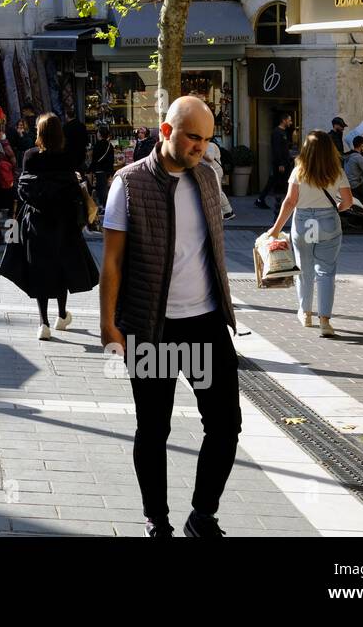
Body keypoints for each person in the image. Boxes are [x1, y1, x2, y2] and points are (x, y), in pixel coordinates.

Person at [99, 95, 240, 538]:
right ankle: (156, 520)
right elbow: (113, 263)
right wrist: (109, 327)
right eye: (192, 137)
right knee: (153, 427)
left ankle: (202, 515)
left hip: (206, 323)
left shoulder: (208, 178)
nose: (200, 146)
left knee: (225, 425)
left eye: (207, 139)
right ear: (165, 131)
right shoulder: (128, 184)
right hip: (151, 327)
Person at [7, 113, 98, 338]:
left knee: (40, 269)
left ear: (39, 133)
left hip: (37, 221)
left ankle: (43, 322)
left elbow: (22, 190)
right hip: (64, 222)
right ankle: (61, 315)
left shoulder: (29, 156)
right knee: (61, 267)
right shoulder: (67, 158)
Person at [268, 130, 352, 337]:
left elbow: (290, 202)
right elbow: (348, 201)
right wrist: (336, 208)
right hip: (328, 222)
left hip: (303, 223)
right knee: (326, 272)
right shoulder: (337, 171)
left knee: (304, 270)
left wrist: (276, 229)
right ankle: (325, 321)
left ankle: (305, 313)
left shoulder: (299, 171)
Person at [256, 111, 295, 210]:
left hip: (284, 162)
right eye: (289, 120)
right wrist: (280, 163)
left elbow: (283, 148)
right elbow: (276, 149)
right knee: (277, 182)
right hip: (280, 164)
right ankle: (262, 200)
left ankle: (261, 199)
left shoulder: (283, 132)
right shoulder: (277, 132)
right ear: (284, 120)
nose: (291, 122)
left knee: (275, 181)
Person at [201, 140, 234, 221]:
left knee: (218, 191)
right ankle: (226, 212)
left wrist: (201, 152)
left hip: (215, 170)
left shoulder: (210, 145)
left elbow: (210, 158)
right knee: (216, 191)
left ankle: (226, 212)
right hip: (209, 171)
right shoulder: (205, 145)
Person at [89, 124, 116, 207]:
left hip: (99, 170)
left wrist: (90, 169)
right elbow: (111, 160)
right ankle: (105, 205)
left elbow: (94, 160)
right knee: (105, 189)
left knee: (100, 189)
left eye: (98, 132)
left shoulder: (97, 145)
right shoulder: (109, 145)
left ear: (100, 134)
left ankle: (102, 206)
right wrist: (111, 172)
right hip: (107, 170)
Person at [62, 108, 89, 174]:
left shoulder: (65, 127)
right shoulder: (82, 126)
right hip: (81, 154)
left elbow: (64, 142)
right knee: (81, 173)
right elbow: (86, 140)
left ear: (66, 116)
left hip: (70, 155)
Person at [344, 135, 363, 206]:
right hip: (357, 186)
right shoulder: (358, 157)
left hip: (349, 185)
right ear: (361, 145)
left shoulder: (349, 156)